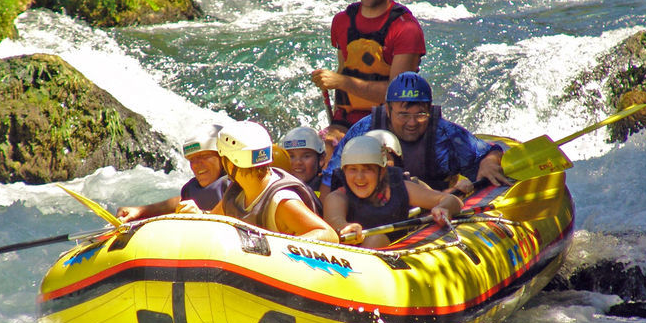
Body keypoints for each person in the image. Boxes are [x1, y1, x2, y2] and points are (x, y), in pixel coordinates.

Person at [310, 0, 426, 154]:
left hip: (390, 124)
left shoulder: (406, 28)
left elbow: (398, 95)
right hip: (348, 122)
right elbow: (344, 70)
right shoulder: (342, 21)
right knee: (324, 147)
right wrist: (337, 120)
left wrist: (340, 81)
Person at [320, 72, 510, 198]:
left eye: (420, 114)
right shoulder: (363, 131)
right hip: (376, 208)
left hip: (436, 205)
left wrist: (489, 162)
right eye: (403, 114)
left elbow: (489, 151)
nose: (412, 123)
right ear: (388, 109)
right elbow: (331, 178)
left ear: (429, 109)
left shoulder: (445, 133)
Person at [323, 135, 463, 248]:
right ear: (344, 171)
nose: (359, 177)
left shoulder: (401, 188)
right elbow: (335, 220)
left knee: (377, 239)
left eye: (368, 169)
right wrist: (345, 228)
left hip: (398, 251)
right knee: (376, 239)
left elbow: (452, 200)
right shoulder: (338, 197)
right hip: (354, 259)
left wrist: (443, 207)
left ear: (382, 171)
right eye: (352, 169)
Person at [209, 121, 339, 242]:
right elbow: (211, 220)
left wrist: (274, 246)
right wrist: (198, 213)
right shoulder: (238, 192)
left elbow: (328, 234)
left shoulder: (282, 201)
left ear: (230, 165)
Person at [116, 124, 231, 221]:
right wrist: (139, 211)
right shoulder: (192, 189)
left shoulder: (238, 186)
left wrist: (203, 216)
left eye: (204, 156)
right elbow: (179, 202)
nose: (196, 164)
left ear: (224, 157)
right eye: (191, 159)